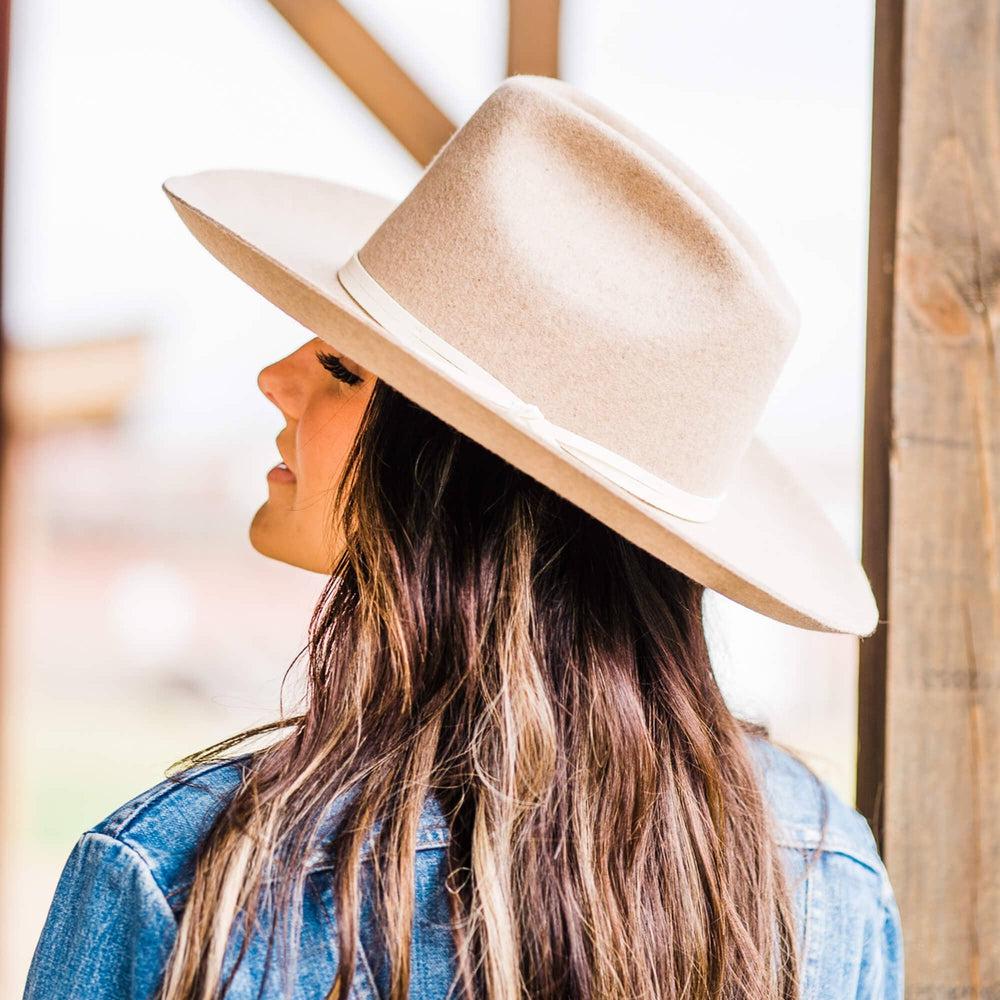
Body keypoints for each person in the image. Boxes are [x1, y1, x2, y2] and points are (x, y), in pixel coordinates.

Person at [23, 75, 903, 999]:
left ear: (458, 475)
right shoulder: (825, 867)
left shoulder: (184, 879)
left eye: (342, 364)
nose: (273, 376)